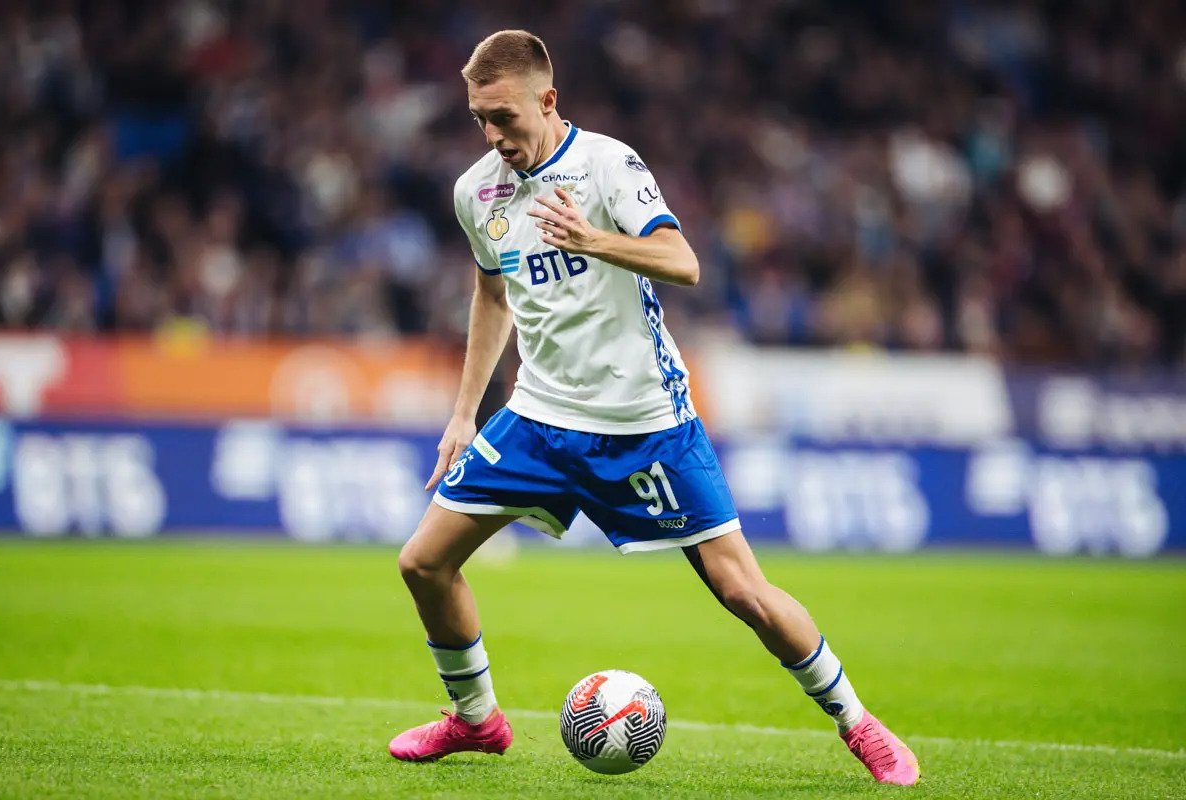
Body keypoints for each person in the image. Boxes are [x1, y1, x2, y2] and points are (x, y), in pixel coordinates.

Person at [388, 29, 920, 786]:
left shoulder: (608, 166)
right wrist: (463, 413)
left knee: (744, 592)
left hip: (645, 426)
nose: (492, 134)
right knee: (422, 562)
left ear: (548, 99)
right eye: (479, 118)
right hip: (539, 419)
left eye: (504, 116)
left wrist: (593, 239)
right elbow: (491, 293)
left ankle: (857, 723)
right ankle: (477, 722)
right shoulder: (476, 191)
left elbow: (683, 262)